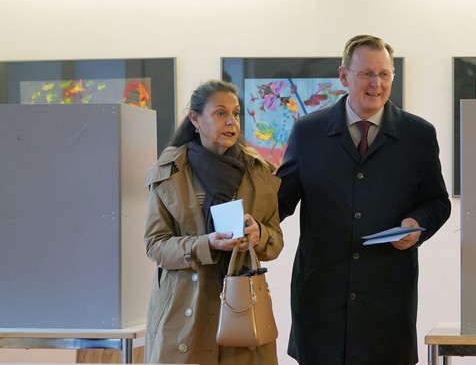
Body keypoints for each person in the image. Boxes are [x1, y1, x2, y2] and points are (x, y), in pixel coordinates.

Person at [276, 35, 451, 365]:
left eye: (385, 74)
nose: (376, 84)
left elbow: (438, 202)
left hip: (386, 301)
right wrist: (253, 222)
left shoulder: (418, 136)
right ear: (344, 76)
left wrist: (417, 225)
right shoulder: (308, 132)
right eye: (367, 74)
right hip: (320, 301)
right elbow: (281, 200)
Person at [143, 79, 283, 365]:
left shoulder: (258, 171)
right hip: (184, 309)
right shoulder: (170, 171)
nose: (232, 121)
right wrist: (204, 244)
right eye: (220, 113)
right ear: (195, 119)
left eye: (236, 113)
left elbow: (276, 241)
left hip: (243, 305)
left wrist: (259, 235)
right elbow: (155, 245)